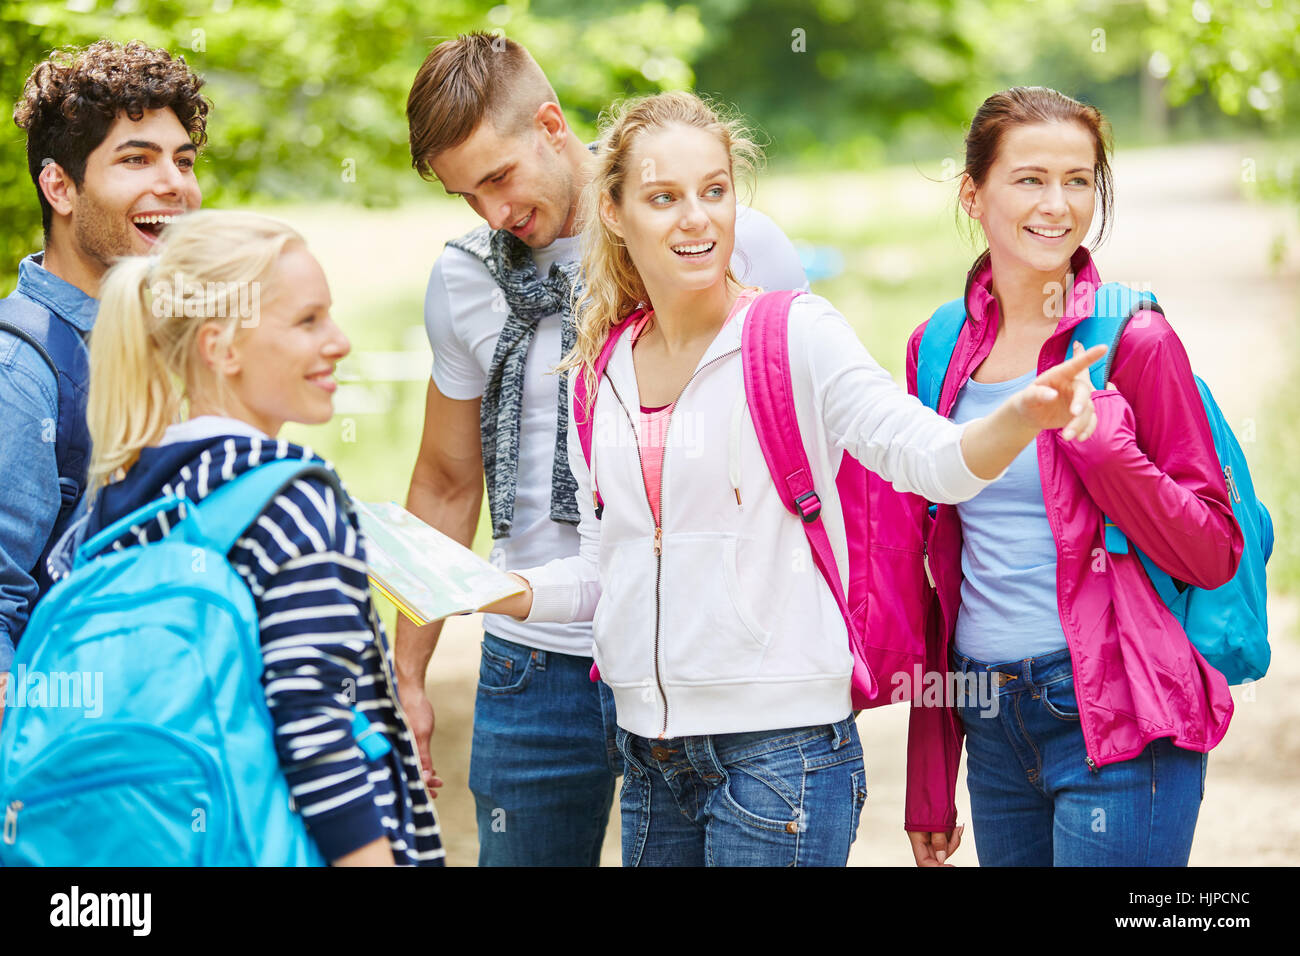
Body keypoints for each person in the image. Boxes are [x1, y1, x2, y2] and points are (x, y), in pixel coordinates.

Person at [481, 89, 1107, 867]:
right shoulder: (597, 372)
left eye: (715, 191)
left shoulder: (794, 335)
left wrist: (1019, 416)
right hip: (648, 755)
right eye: (663, 198)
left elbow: (933, 461)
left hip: (780, 761)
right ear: (613, 213)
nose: (696, 219)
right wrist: (502, 592)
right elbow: (608, 566)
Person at [400, 32, 808, 865]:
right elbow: (445, 482)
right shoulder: (462, 280)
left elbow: (799, 455)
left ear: (552, 126)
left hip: (694, 654)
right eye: (465, 196)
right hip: (534, 671)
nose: (491, 213)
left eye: (498, 179)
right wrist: (408, 669)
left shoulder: (727, 239)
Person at [903, 87, 1241, 867]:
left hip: (1118, 721)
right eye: (1029, 179)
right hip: (988, 717)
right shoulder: (936, 347)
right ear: (972, 194)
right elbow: (935, 569)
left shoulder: (1137, 338)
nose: (1058, 205)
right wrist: (930, 775)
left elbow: (1213, 550)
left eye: (1079, 180)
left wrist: (1103, 448)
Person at [50, 210, 444, 866]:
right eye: (308, 321)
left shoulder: (115, 501)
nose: (339, 342)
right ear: (222, 348)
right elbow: (314, 730)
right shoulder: (291, 502)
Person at [1, 40, 206, 724]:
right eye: (136, 159)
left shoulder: (172, 345)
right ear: (59, 187)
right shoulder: (19, 370)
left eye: (182, 160)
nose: (174, 183)